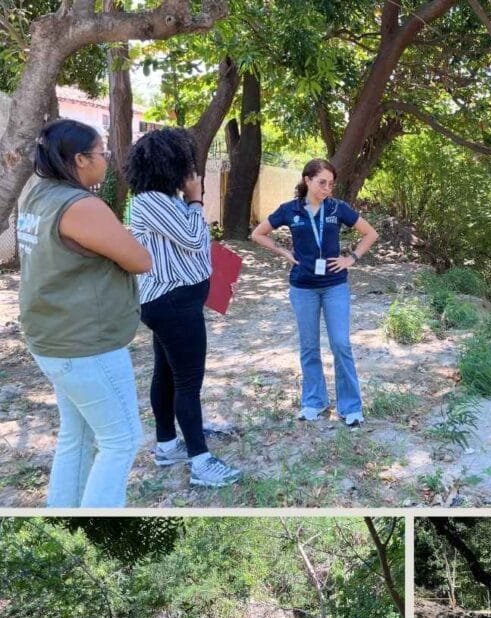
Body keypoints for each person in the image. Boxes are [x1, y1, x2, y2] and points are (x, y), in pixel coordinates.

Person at [17, 118, 150, 507]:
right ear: (79, 159)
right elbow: (139, 260)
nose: (107, 160)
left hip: (51, 337)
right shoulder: (81, 206)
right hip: (85, 343)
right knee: (121, 440)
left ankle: (66, 517)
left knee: (78, 435)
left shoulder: (39, 194)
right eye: (101, 153)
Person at [125, 127, 240, 488]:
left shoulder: (161, 199)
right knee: (189, 382)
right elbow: (193, 238)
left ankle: (166, 445)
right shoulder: (151, 201)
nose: (191, 171)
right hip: (173, 303)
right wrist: (196, 197)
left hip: (173, 301)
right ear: (169, 165)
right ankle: (201, 462)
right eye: (185, 164)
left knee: (168, 375)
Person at [250, 159, 378, 426]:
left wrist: (351, 258)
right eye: (322, 182)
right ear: (307, 180)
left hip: (335, 286)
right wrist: (284, 252)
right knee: (309, 347)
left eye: (331, 184)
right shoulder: (290, 210)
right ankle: (314, 401)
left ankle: (350, 406)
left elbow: (370, 234)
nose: (327, 189)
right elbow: (258, 234)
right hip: (303, 287)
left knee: (341, 344)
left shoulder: (337, 208)